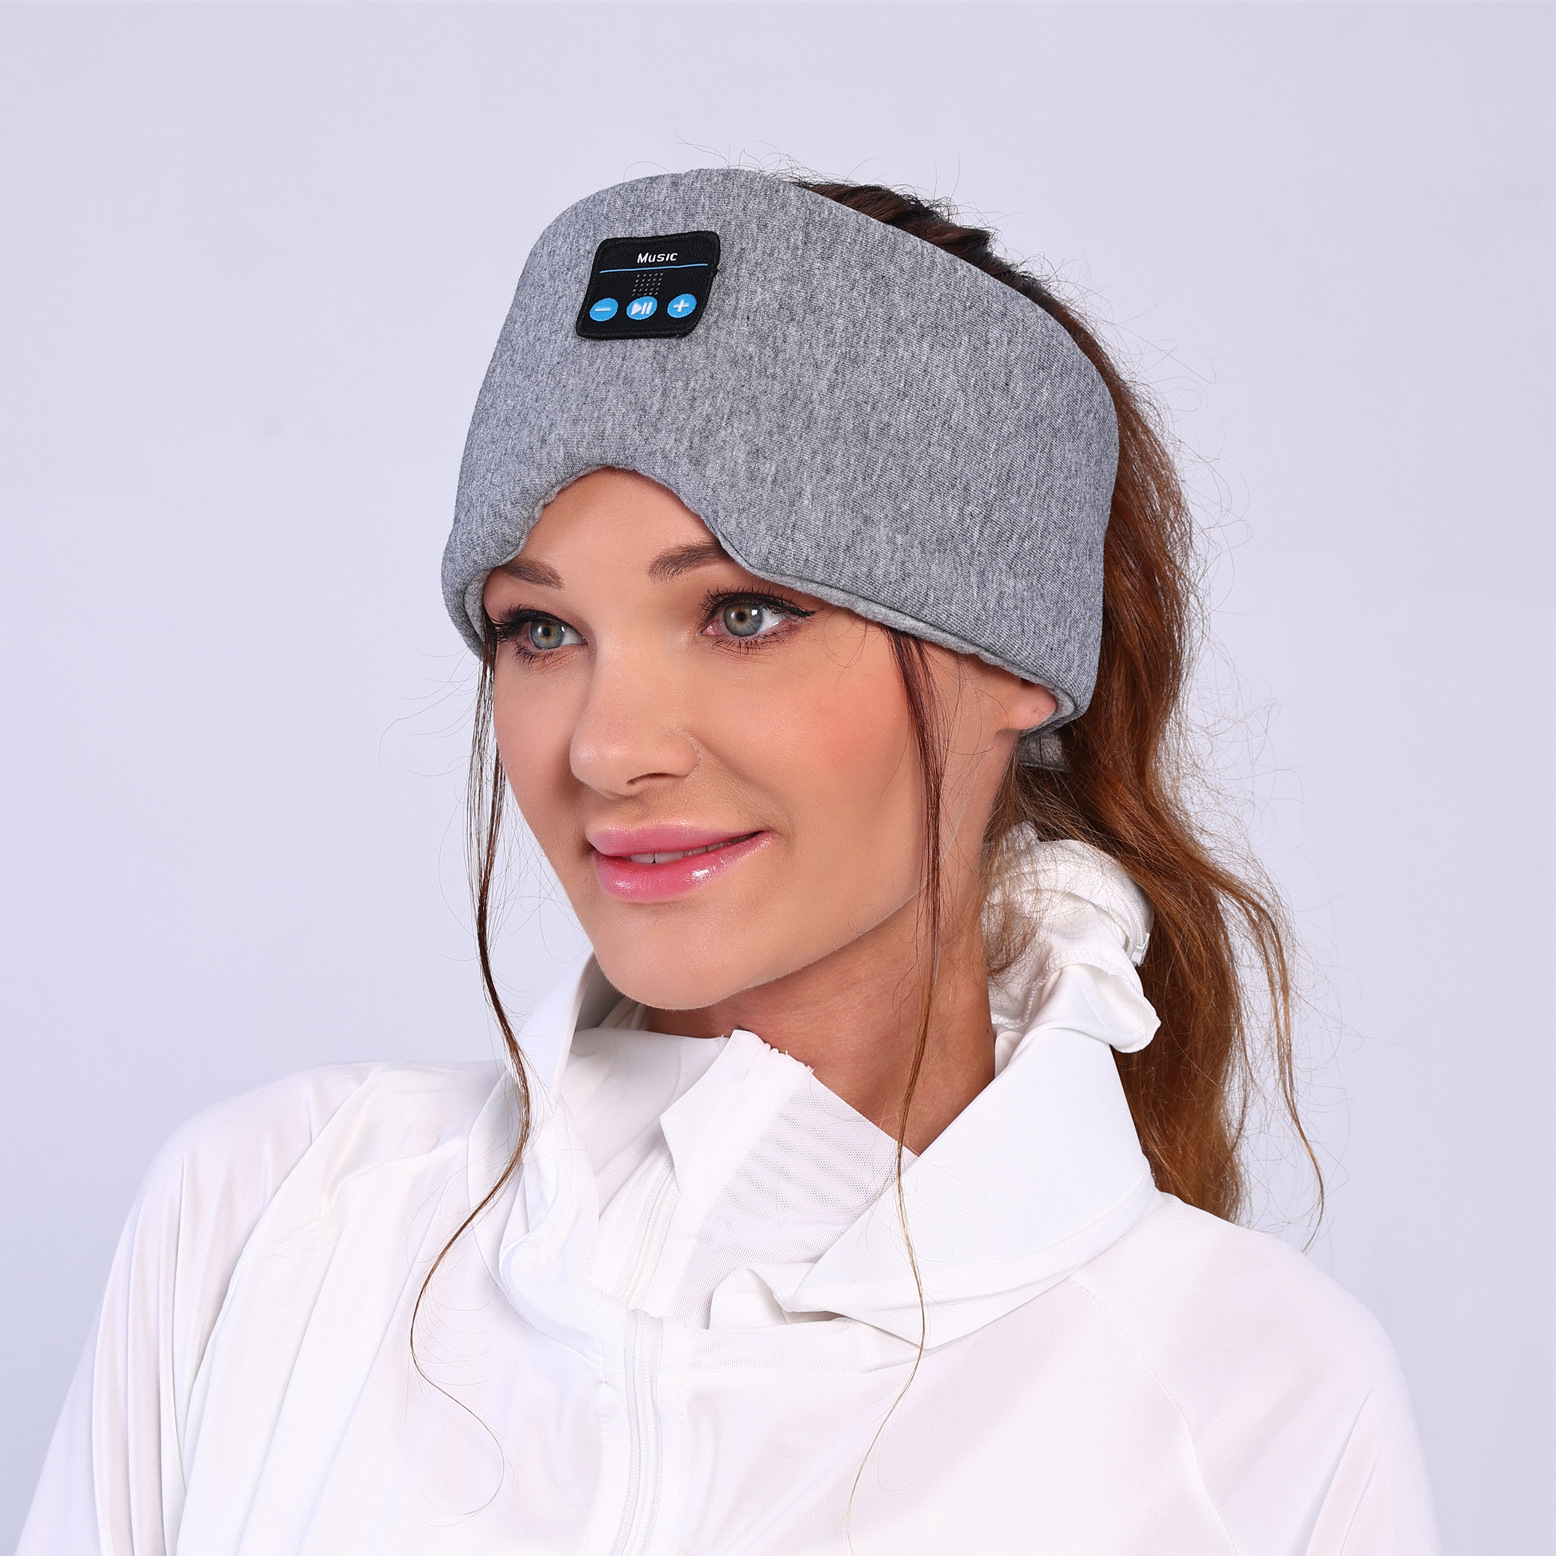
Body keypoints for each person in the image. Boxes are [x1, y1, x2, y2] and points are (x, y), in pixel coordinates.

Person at [19, 168, 1439, 1554]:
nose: (606, 748)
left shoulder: (1254, 1407)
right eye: (539, 630)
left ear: (1014, 660)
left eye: (744, 614)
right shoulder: (274, 1220)